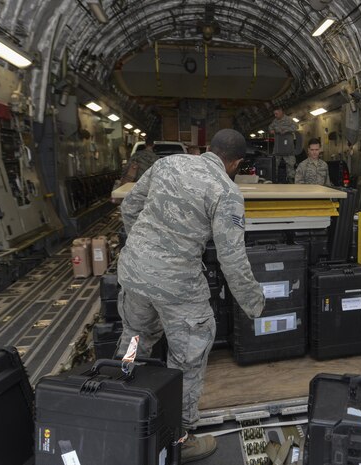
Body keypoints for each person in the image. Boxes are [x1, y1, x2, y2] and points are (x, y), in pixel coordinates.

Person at [116, 129, 265, 462]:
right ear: (236, 162)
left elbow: (129, 207)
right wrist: (253, 303)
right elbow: (232, 258)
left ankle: (118, 406)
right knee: (190, 355)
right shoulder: (226, 191)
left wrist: (142, 249)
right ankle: (178, 439)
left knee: (135, 338)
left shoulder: (169, 164)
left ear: (208, 149)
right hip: (177, 285)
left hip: (134, 272)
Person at [268, 106, 298, 183]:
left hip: (288, 147)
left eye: (276, 114)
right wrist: (271, 131)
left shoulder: (289, 120)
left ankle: (290, 180)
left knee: (290, 164)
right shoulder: (275, 121)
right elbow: (270, 127)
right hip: (278, 147)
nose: (275, 115)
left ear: (281, 111)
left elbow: (296, 126)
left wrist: (286, 130)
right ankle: (274, 180)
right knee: (274, 164)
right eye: (274, 114)